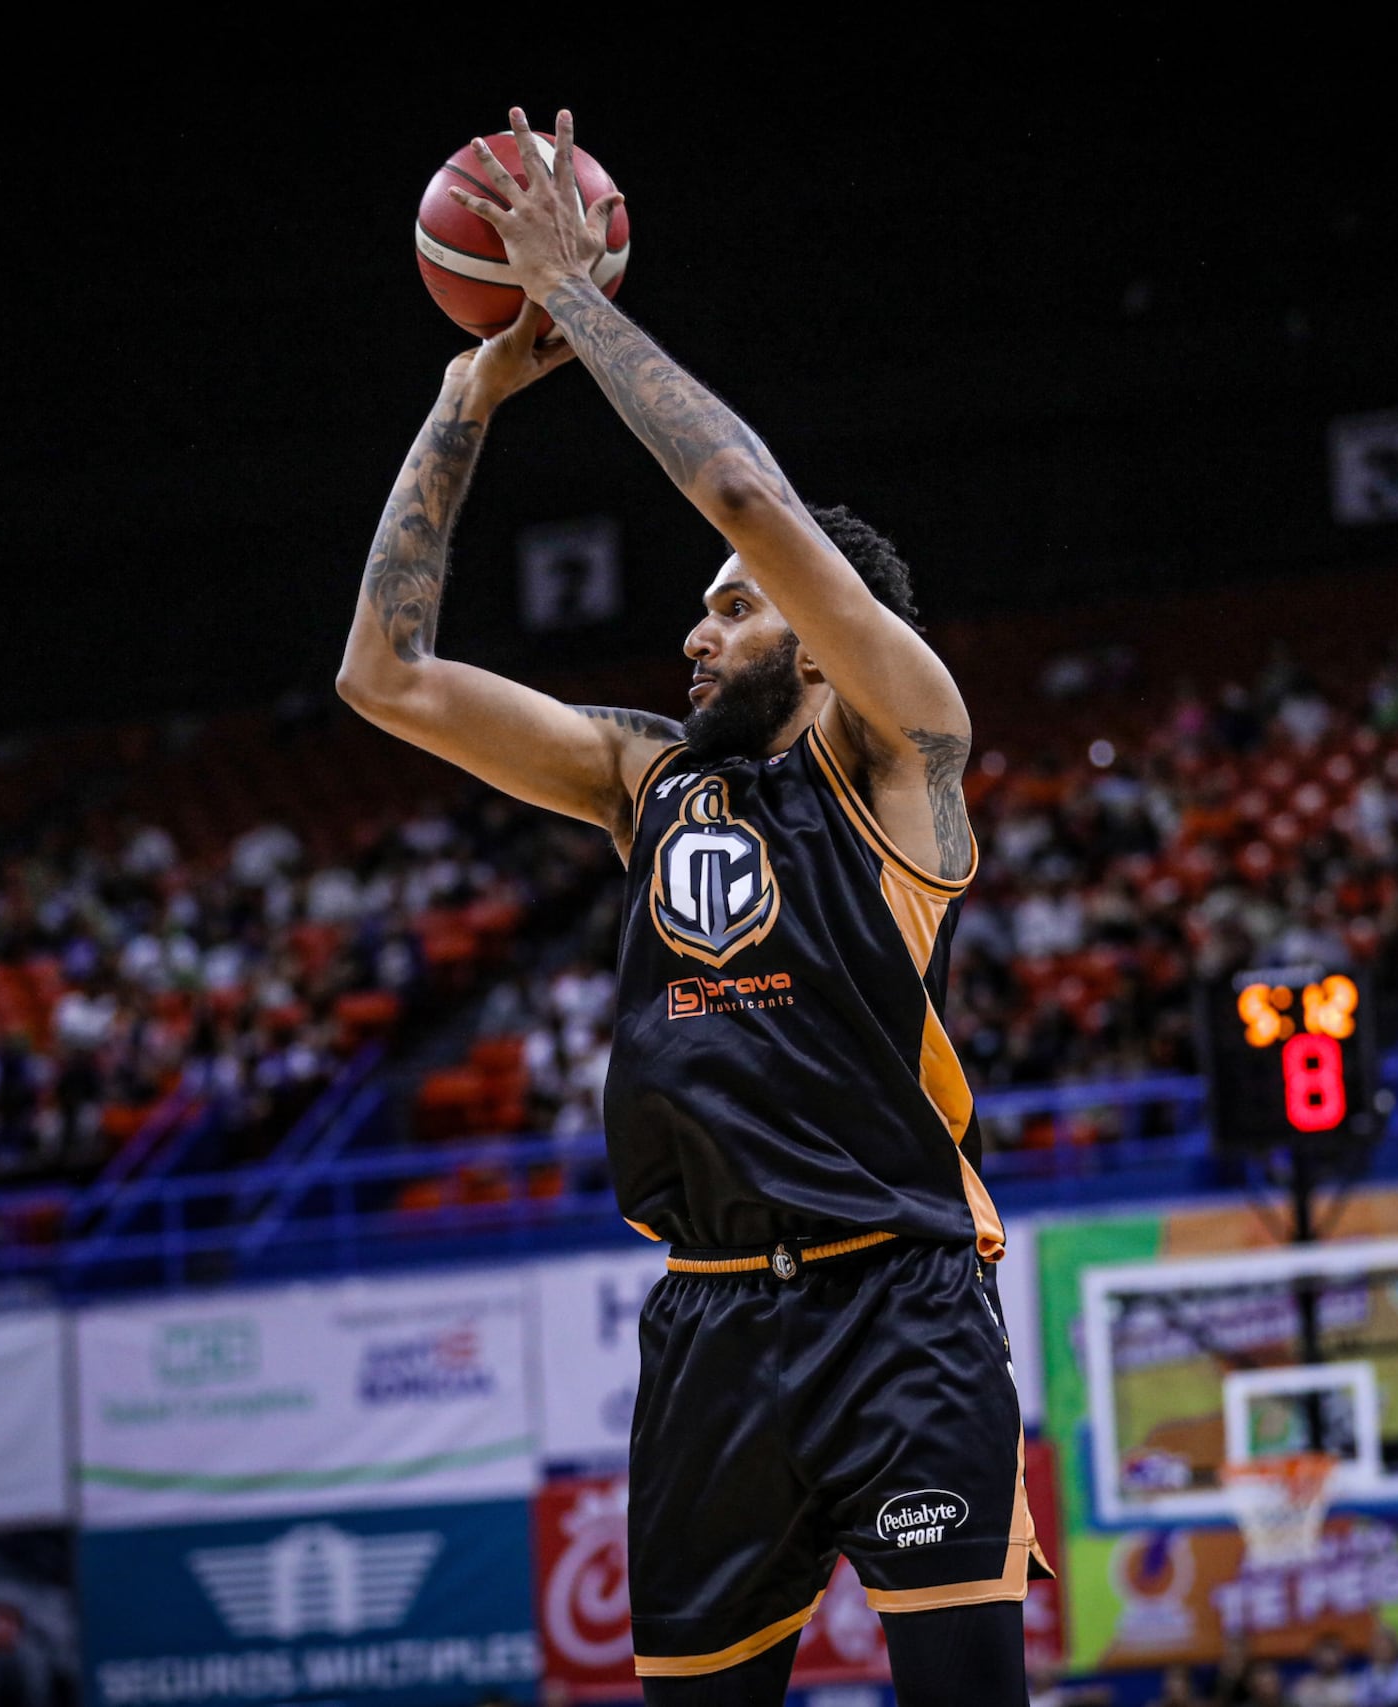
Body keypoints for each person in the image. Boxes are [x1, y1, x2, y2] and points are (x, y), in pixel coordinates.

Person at [339, 106, 1043, 1706]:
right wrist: (465, 397)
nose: (695, 634)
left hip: (900, 1301)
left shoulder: (902, 746)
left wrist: (573, 300)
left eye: (729, 615)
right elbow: (382, 675)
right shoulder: (647, 779)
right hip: (709, 1326)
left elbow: (743, 498)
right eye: (699, 618)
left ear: (812, 631)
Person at [1353, 1625, 1398, 1707]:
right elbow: (1360, 1701)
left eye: (1386, 1644)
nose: (1383, 1649)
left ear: (1396, 1646)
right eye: (1379, 1645)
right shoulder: (1365, 1675)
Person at [1290, 1633, 1358, 1707]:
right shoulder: (1303, 1686)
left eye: (1332, 1652)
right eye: (1324, 1652)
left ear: (1343, 1654)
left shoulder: (1353, 1685)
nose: (1328, 1657)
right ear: (1314, 1655)